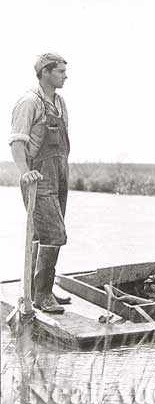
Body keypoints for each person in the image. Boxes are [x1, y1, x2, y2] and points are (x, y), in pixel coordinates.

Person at [9, 53, 72, 313]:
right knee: (54, 234)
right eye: (60, 71)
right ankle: (43, 295)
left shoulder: (60, 102)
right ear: (45, 72)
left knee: (43, 235)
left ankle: (39, 289)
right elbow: (17, 142)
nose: (65, 76)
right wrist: (25, 171)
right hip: (38, 177)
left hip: (59, 174)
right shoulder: (28, 102)